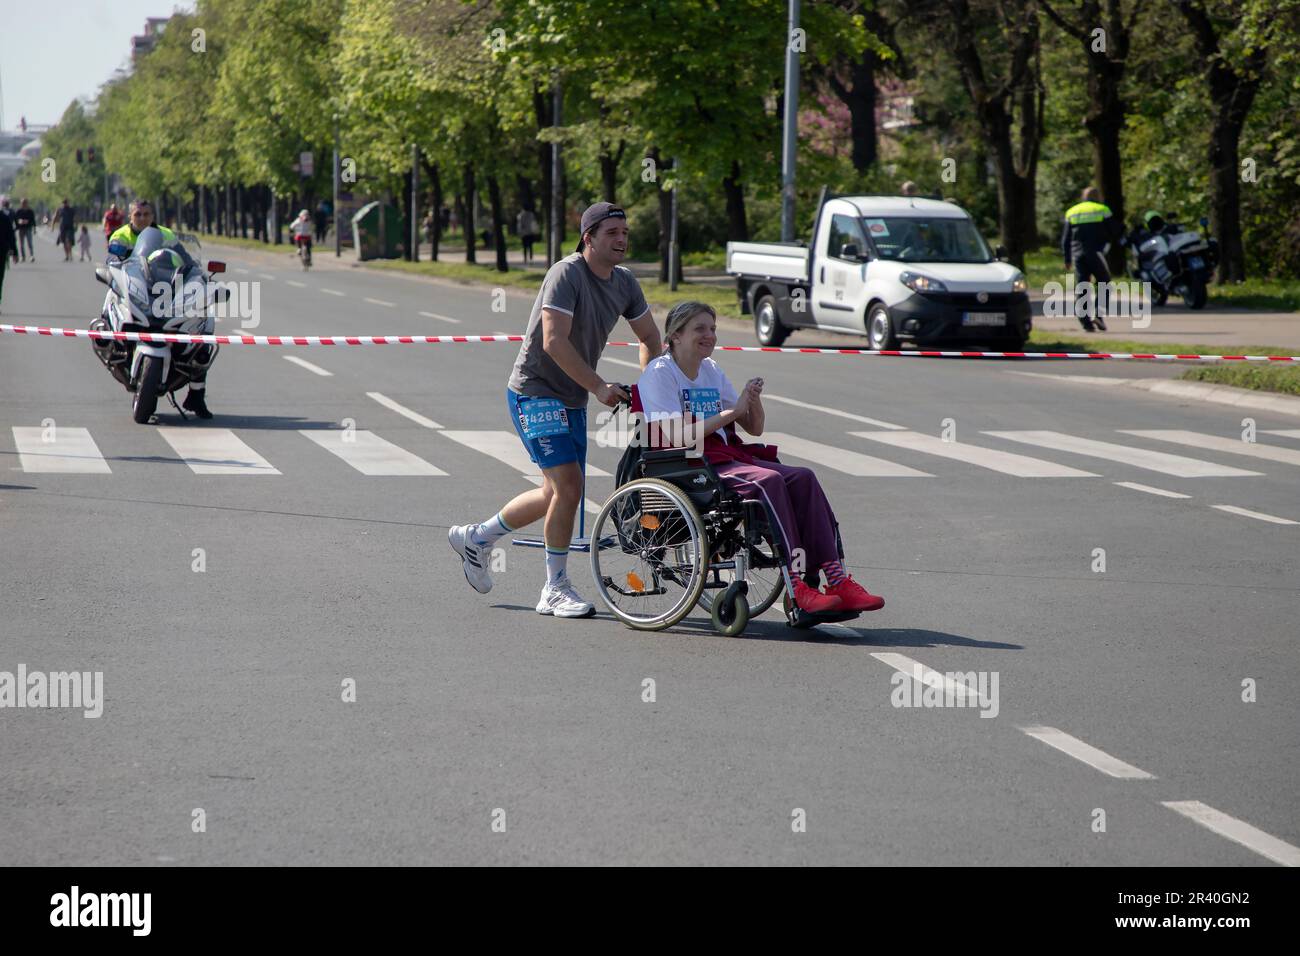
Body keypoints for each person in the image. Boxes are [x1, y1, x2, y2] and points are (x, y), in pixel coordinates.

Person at [448, 202, 663, 618]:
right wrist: (599, 385)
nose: (622, 239)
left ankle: (477, 537)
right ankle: (554, 588)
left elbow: (650, 336)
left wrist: (655, 388)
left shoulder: (625, 282)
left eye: (625, 232)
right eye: (612, 232)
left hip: (571, 396)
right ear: (589, 237)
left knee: (553, 492)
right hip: (534, 389)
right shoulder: (567, 274)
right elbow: (553, 341)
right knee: (569, 487)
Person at [636, 301, 885, 615]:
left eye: (712, 328)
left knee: (803, 477)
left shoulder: (710, 369)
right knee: (769, 481)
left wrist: (751, 402)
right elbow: (676, 437)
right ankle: (797, 587)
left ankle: (836, 579)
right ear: (675, 335)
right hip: (689, 464)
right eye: (700, 328)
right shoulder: (660, 373)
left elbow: (754, 428)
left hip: (726, 456)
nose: (709, 335)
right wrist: (732, 412)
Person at [107, 200, 214, 418]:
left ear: (153, 215)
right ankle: (106, 336)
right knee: (111, 295)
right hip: (136, 288)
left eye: (147, 214)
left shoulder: (166, 234)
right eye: (138, 214)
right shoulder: (121, 236)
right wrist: (114, 271)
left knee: (203, 328)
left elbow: (187, 261)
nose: (143, 218)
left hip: (165, 290)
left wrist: (197, 276)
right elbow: (111, 261)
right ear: (130, 216)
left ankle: (197, 396)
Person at [1061, 186, 1122, 332]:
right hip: (1096, 252)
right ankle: (1098, 315)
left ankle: (1085, 322)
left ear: (1083, 196)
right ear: (1098, 196)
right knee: (1104, 283)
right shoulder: (1102, 210)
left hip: (1078, 255)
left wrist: (1067, 258)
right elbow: (1114, 230)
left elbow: (1065, 238)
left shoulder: (1072, 212)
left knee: (1082, 286)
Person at [0, 199, 17, 313]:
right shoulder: (4, 218)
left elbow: (11, 235)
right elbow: (11, 236)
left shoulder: (4, 218)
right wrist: (14, 252)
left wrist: (14, 251)